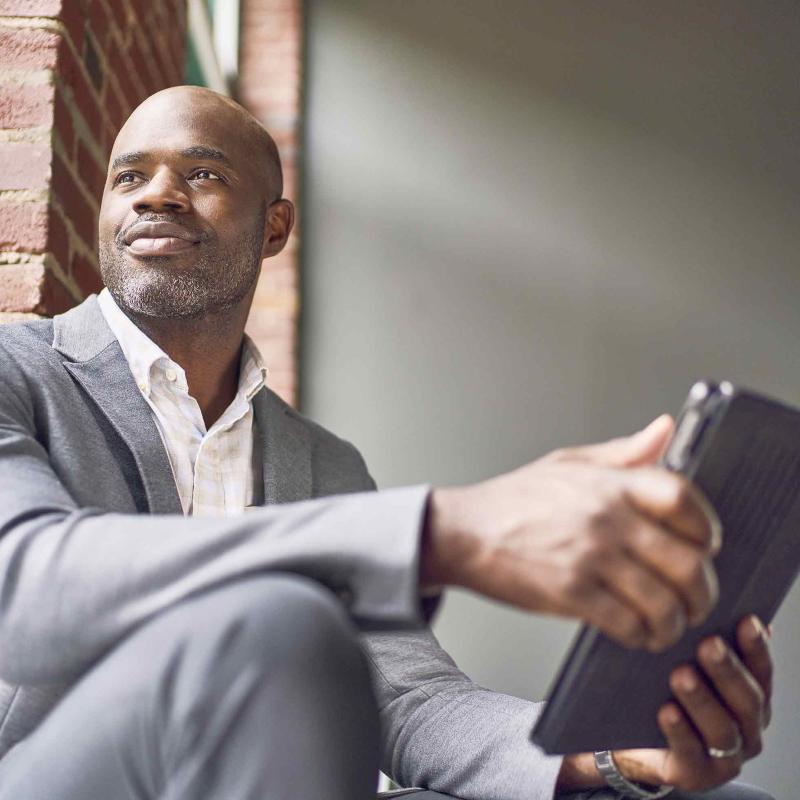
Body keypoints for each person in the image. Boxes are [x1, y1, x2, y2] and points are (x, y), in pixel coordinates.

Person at [0, 86, 774, 800]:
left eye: (202, 174)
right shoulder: (15, 369)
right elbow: (25, 587)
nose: (157, 194)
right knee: (277, 624)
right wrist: (441, 531)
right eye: (128, 177)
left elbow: (410, 700)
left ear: (275, 226)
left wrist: (608, 751)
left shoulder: (324, 463)